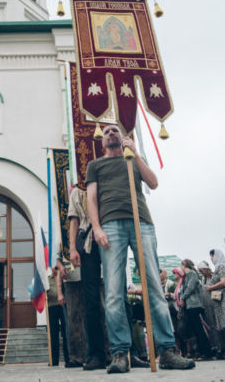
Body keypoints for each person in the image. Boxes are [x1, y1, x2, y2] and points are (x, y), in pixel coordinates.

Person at [86, 124, 194, 372]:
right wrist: (97, 227)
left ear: (124, 137)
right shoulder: (96, 165)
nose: (111, 133)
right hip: (110, 225)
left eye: (116, 130)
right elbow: (91, 198)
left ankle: (167, 350)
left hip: (141, 223)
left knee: (154, 286)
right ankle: (120, 353)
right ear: (103, 140)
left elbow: (153, 183)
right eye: (107, 132)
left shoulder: (132, 159)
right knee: (114, 291)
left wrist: (135, 154)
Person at [67, 186, 108, 370]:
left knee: (118, 294)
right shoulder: (78, 190)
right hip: (88, 242)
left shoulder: (105, 179)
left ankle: (125, 351)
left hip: (111, 236)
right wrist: (73, 248)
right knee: (91, 300)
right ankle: (96, 353)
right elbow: (74, 220)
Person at [179, 259, 212, 360]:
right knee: (195, 330)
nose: (181, 267)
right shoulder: (186, 277)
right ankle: (201, 351)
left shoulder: (192, 274)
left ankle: (206, 352)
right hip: (189, 305)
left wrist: (182, 298)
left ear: (185, 265)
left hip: (195, 305)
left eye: (182, 265)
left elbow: (190, 287)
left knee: (199, 329)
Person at [47, 267, 70, 367]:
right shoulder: (48, 279)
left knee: (66, 333)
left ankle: (68, 358)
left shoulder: (64, 277)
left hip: (63, 307)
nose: (55, 269)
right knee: (53, 334)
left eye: (56, 268)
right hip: (52, 307)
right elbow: (47, 293)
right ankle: (54, 360)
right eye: (53, 267)